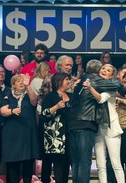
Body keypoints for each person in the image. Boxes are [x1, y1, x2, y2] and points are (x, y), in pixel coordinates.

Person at [68, 59, 121, 183]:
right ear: (98, 71)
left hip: (72, 124)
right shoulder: (96, 79)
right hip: (86, 123)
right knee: (84, 161)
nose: (103, 71)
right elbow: (118, 85)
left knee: (76, 162)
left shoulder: (81, 80)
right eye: (103, 69)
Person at [83, 64, 125, 183]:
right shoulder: (97, 85)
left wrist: (90, 88)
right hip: (98, 127)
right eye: (103, 68)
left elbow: (101, 99)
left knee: (115, 163)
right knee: (100, 164)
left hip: (111, 127)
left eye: (108, 70)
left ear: (112, 75)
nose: (104, 71)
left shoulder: (110, 87)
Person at [38, 55, 73, 183]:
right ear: (59, 81)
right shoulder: (50, 96)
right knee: (57, 166)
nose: (69, 81)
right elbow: (44, 114)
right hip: (55, 138)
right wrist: (57, 106)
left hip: (69, 136)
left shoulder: (71, 95)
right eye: (66, 80)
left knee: (66, 166)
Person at [0, 74, 39, 183]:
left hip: (27, 134)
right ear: (13, 85)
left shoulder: (28, 95)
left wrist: (28, 86)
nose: (21, 83)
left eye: (23, 81)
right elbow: (2, 111)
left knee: (27, 165)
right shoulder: (7, 95)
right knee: (13, 166)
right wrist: (12, 111)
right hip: (12, 135)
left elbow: (34, 101)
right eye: (18, 81)